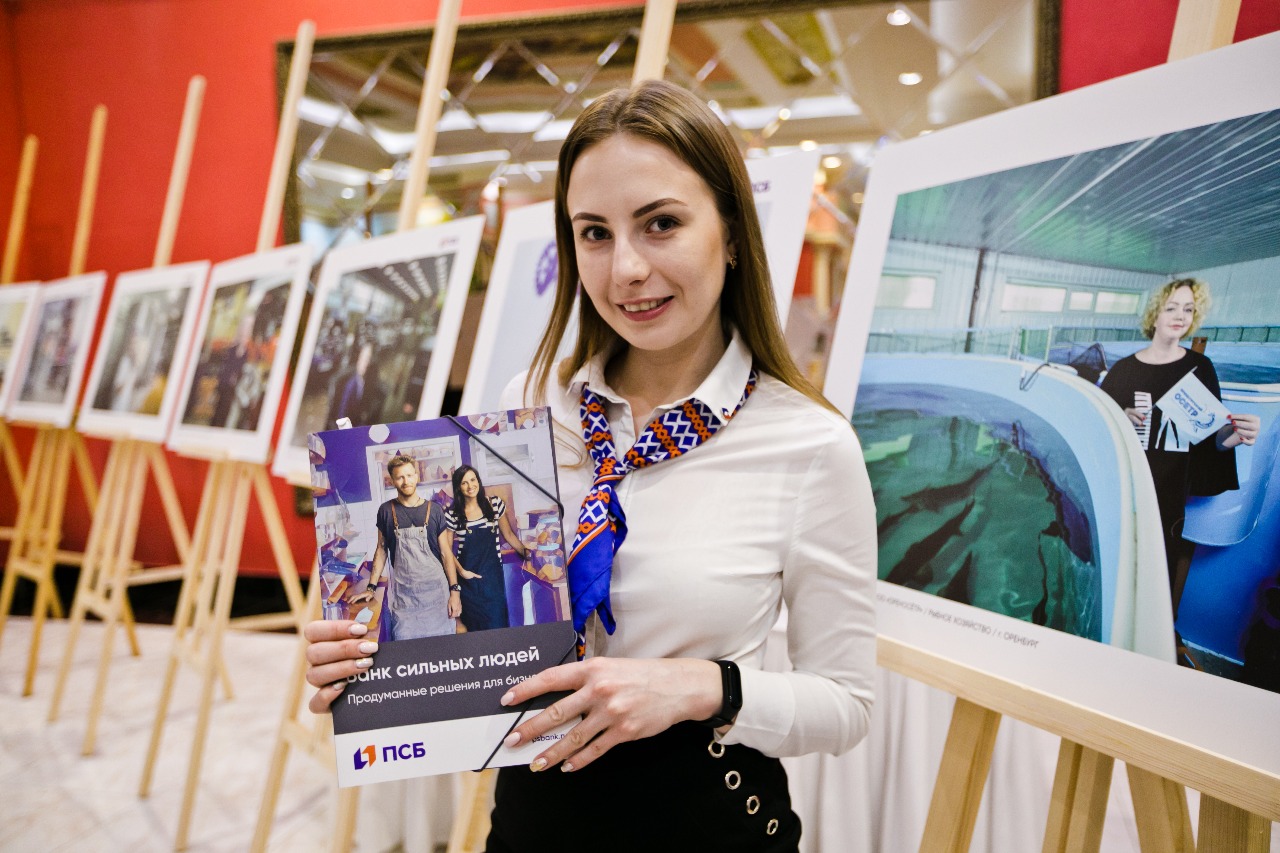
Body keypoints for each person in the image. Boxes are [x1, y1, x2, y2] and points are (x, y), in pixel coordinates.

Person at [306, 79, 877, 851]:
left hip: (709, 825)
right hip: (534, 824)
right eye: (596, 233)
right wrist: (372, 664)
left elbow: (846, 704)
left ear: (733, 235)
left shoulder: (807, 444)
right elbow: (489, 622)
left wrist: (703, 684)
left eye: (662, 223)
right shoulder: (531, 405)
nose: (627, 268)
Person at [1100, 278, 1259, 620]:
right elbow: (1099, 431)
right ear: (1154, 314)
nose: (1179, 316)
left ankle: (1152, 631)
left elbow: (1212, 440)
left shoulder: (1200, 368)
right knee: (1115, 560)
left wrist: (1236, 434)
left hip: (1170, 492)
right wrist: (1119, 418)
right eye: (1171, 308)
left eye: (1188, 309)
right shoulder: (1124, 369)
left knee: (1159, 568)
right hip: (1126, 487)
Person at [348, 454, 461, 640]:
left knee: (443, 648)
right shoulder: (386, 511)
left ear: (416, 476)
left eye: (409, 475)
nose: (406, 481)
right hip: (405, 600)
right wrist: (371, 587)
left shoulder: (434, 510)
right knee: (404, 644)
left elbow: (446, 553)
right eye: (400, 477)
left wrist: (454, 592)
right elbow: (381, 549)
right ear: (392, 481)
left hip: (437, 597)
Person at [442, 465, 531, 632]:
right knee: (475, 632)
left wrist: (528, 554)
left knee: (498, 627)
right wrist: (462, 572)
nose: (470, 486)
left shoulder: (494, 504)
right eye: (464, 483)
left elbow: (509, 535)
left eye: (473, 480)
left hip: (493, 581)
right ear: (458, 487)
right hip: (468, 584)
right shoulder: (452, 514)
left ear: (478, 480)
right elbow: (446, 551)